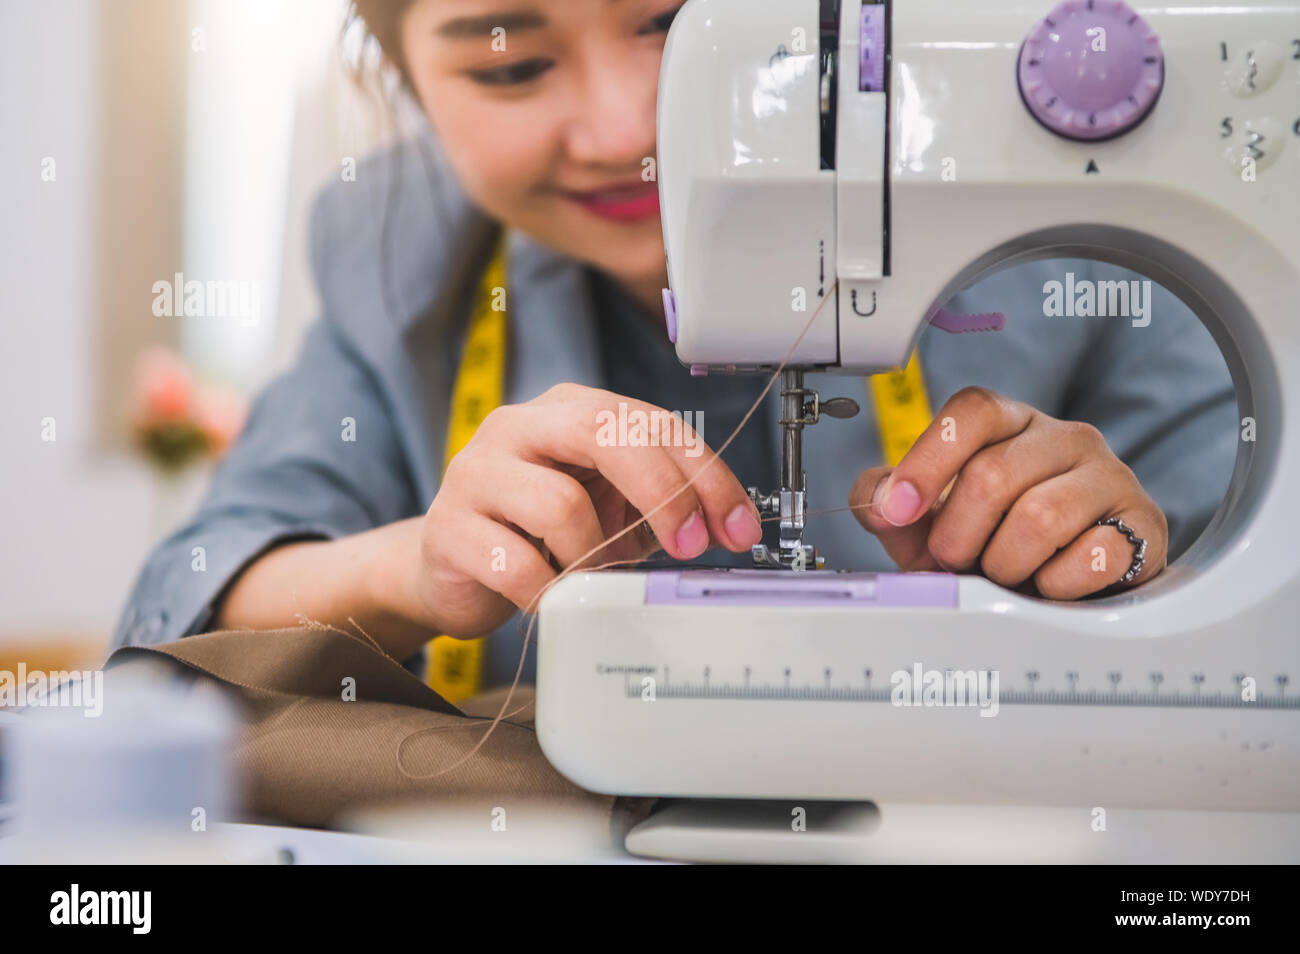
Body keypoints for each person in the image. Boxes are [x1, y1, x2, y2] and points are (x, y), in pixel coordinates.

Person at [110, 0, 1237, 689]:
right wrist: (413, 568)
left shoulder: (1081, 244)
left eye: (680, 26)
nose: (624, 131)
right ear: (410, 82)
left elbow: (1247, 628)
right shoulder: (400, 251)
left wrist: (1129, 571)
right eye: (508, 65)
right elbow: (189, 597)